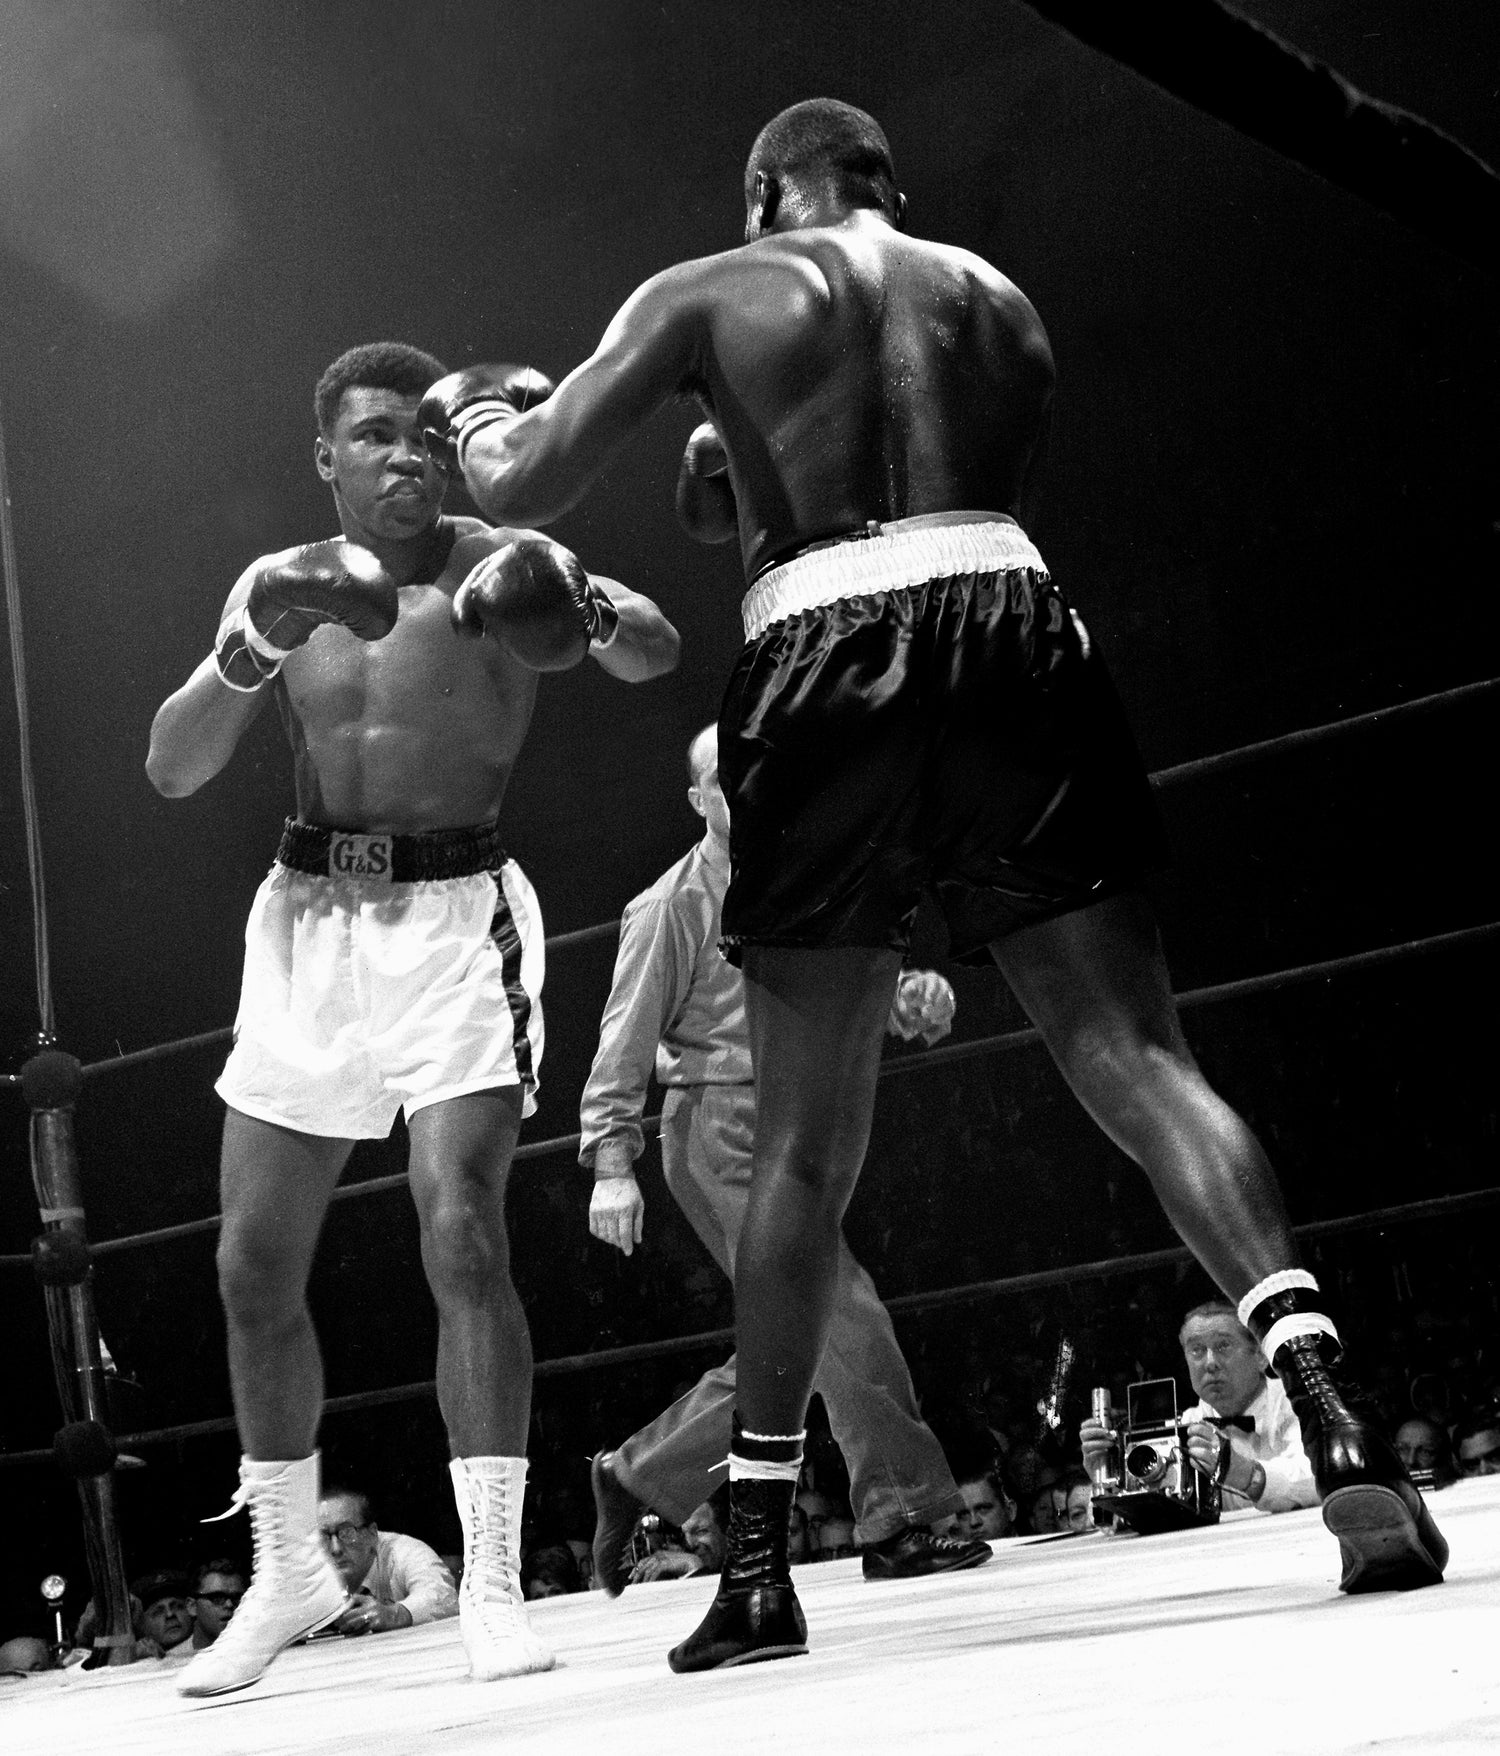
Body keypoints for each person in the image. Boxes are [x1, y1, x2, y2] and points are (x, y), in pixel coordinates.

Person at [420, 99, 1447, 1667]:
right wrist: (739, 476)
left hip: (827, 650)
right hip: (1017, 617)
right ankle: (1330, 1402)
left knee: (806, 1149)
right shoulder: (998, 303)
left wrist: (478, 425)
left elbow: (547, 480)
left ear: (765, 194)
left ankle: (757, 1565)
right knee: (1140, 1057)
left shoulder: (709, 288)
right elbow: (907, 491)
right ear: (894, 188)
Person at [146, 340, 679, 1696]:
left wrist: (585, 614)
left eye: (422, 436)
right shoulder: (278, 586)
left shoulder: (502, 560)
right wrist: (255, 635)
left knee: (464, 1230)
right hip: (308, 923)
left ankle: (492, 1580)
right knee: (249, 1268)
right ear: (327, 456)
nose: (407, 456)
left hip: (458, 928)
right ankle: (287, 1569)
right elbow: (171, 762)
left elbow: (657, 648)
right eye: (375, 436)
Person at [580, 726, 990, 1594]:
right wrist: (612, 1161)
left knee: (794, 1332)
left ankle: (641, 1473)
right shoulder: (672, 905)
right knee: (841, 1308)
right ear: (700, 801)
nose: (748, 793)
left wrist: (904, 1001)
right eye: (725, 783)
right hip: (720, 1125)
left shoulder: (808, 878)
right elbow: (623, 1041)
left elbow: (826, 1004)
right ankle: (904, 1517)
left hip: (806, 1113)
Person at [1081, 1300, 1319, 1515]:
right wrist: (1108, 1477)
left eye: (1223, 1346)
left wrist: (1248, 1475)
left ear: (1260, 1355)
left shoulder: (1297, 1401)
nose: (1210, 1363)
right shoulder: (1187, 1425)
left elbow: (1317, 1476)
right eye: (1197, 1351)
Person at [317, 1483, 459, 1633]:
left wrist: (395, 1615)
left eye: (347, 1533)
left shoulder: (404, 1552)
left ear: (372, 1534)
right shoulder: (304, 1566)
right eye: (323, 1537)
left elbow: (443, 1596)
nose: (336, 1549)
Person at [185, 1560, 247, 1650]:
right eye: (217, 1598)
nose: (229, 1604)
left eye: (237, 1598)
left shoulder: (262, 1653)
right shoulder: (172, 1661)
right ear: (192, 1606)